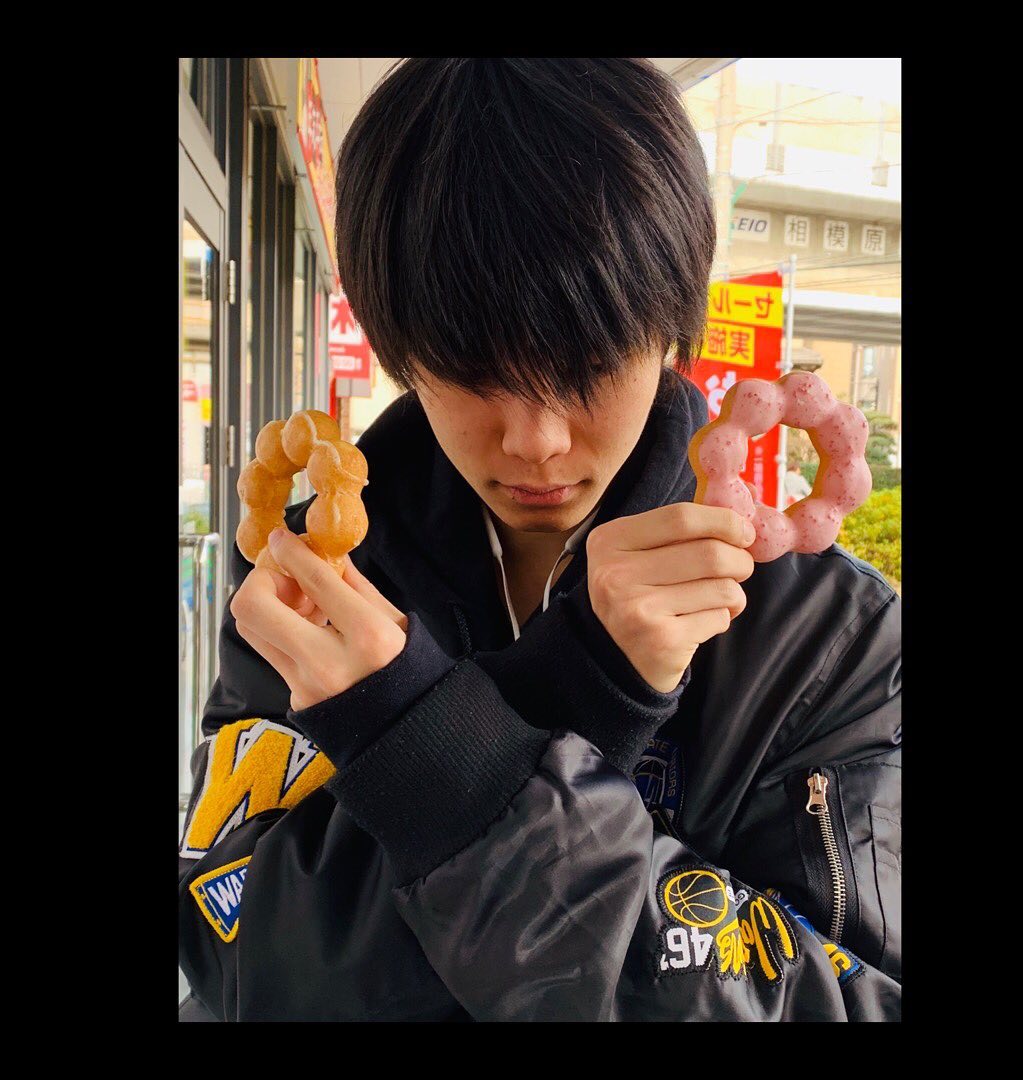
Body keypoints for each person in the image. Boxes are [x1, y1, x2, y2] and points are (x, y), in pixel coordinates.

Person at [178, 58, 900, 1022]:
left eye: (591, 364)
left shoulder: (829, 634)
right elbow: (233, 964)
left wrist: (453, 765)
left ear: (670, 331)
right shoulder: (310, 582)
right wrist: (571, 691)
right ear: (402, 350)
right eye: (474, 371)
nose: (537, 440)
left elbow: (851, 999)